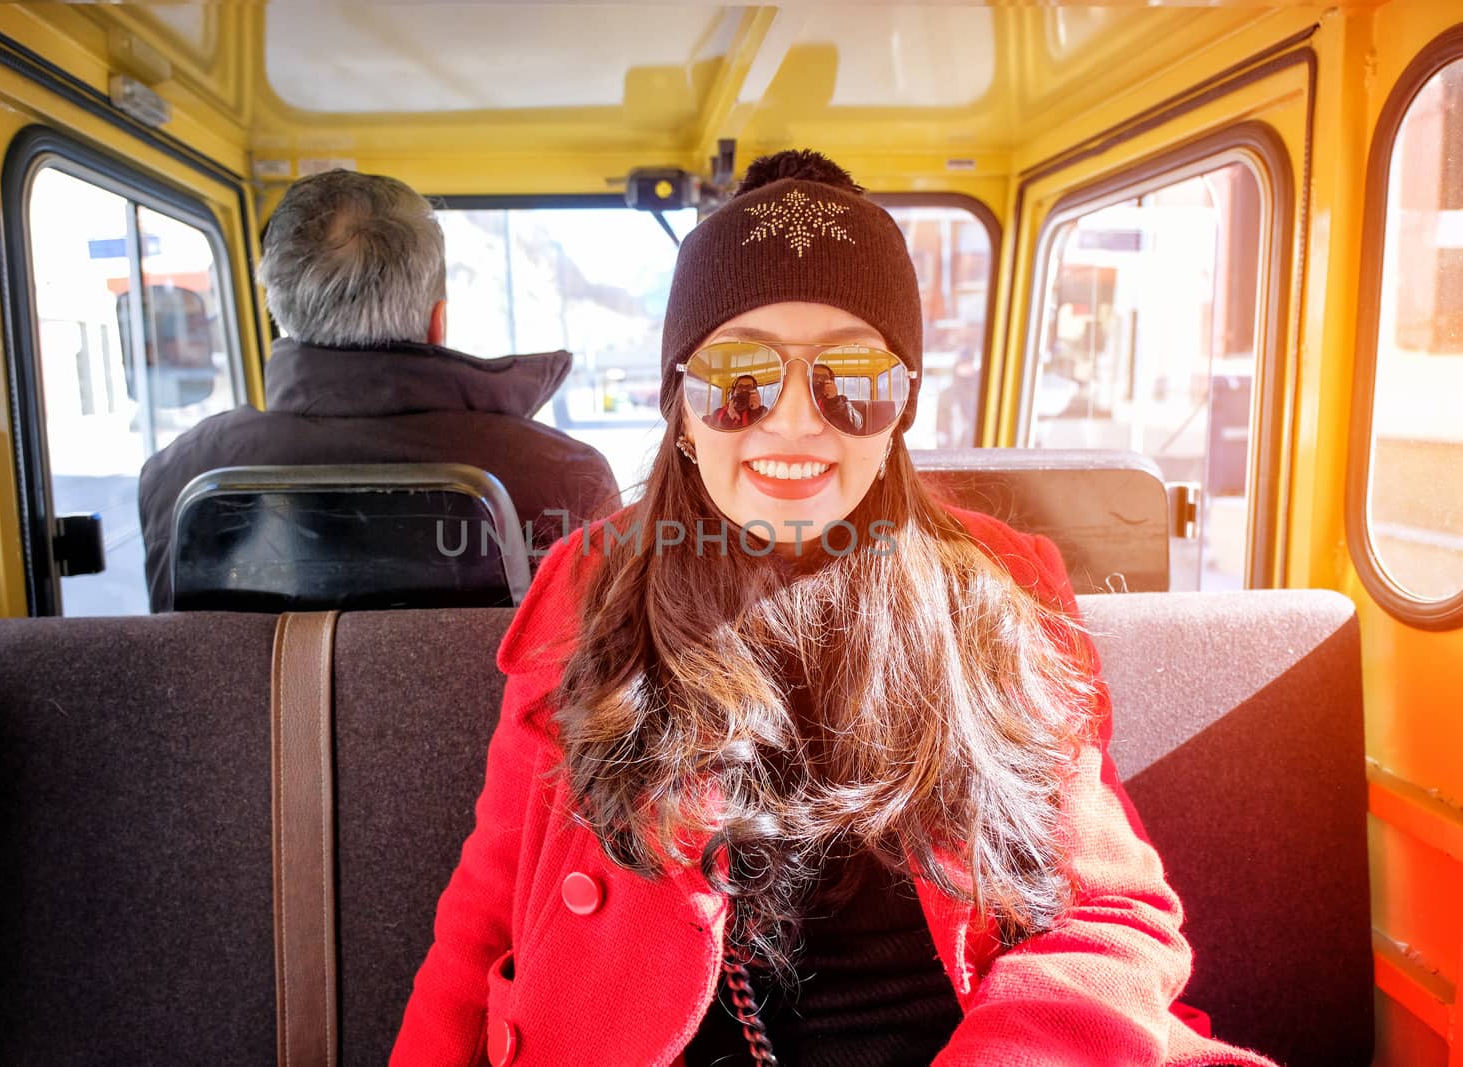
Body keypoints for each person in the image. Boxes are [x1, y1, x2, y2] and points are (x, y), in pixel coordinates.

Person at [390, 151, 1277, 1066]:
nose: (796, 423)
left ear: (900, 410)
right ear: (682, 412)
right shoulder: (592, 590)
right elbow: (479, 928)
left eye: (851, 380)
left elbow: (1112, 910)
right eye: (740, 379)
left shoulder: (1000, 587)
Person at [136, 169, 620, 612]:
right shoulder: (567, 477)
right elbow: (604, 677)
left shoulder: (177, 474)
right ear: (438, 322)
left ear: (281, 317)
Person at [812, 362, 864, 434]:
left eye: (824, 377)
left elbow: (855, 425)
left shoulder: (840, 401)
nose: (819, 380)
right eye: (814, 377)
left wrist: (834, 400)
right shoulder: (801, 399)